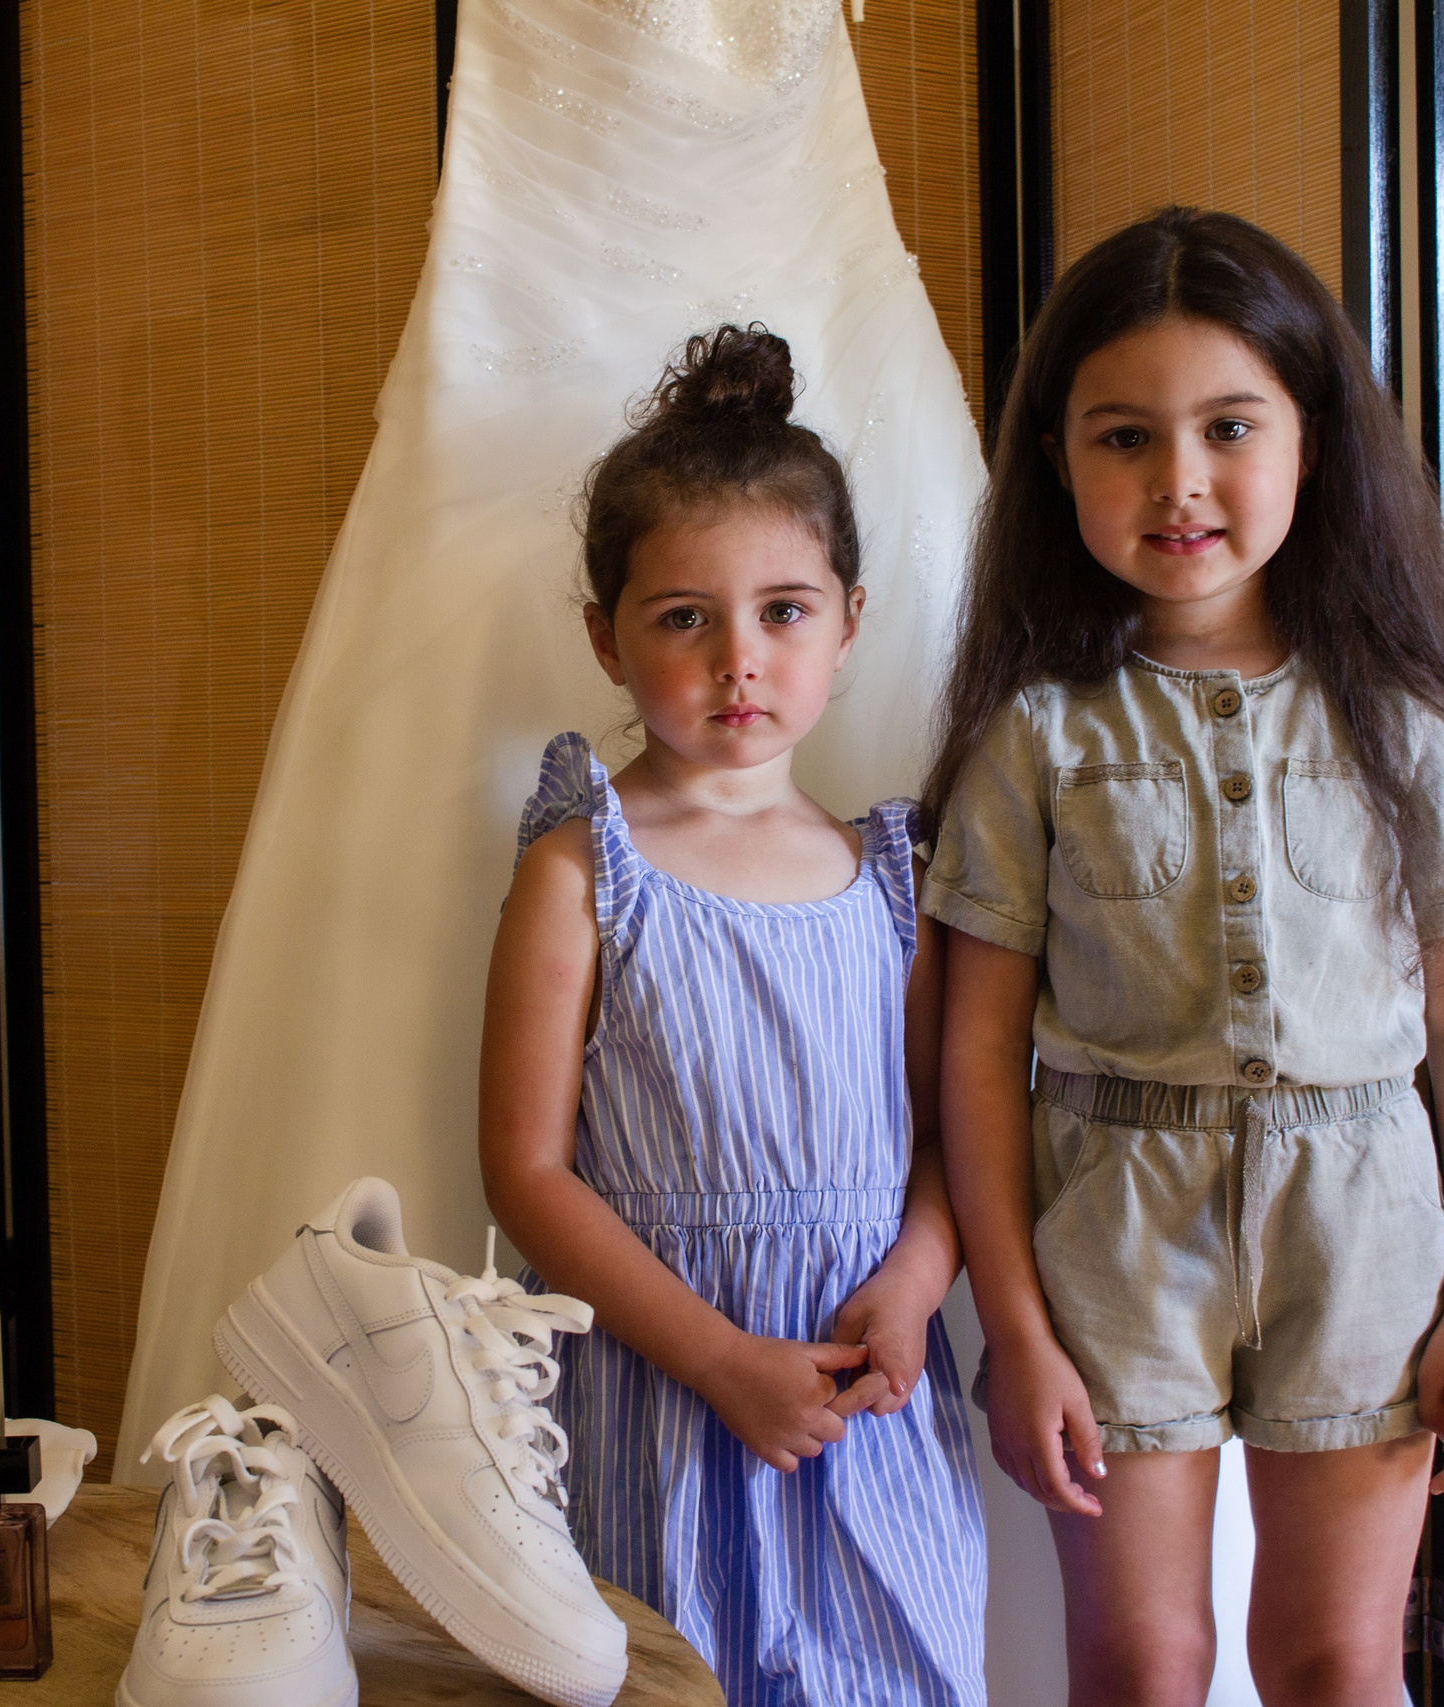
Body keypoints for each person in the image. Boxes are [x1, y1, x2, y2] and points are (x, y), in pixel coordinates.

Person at [924, 207, 1444, 1706]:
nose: (1180, 480)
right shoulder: (1037, 738)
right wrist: (1016, 1331)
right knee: (1142, 1661)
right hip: (1117, 1239)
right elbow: (978, 1048)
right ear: (1057, 461)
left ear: (1312, 441)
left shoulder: (1405, 727)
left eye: (1229, 427)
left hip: (1365, 1234)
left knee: (1334, 1659)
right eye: (1124, 437)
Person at [480, 324, 988, 1707]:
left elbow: (945, 1141)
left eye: (784, 611)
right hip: (661, 1395)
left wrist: (917, 1279)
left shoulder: (896, 880)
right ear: (607, 637)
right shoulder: (584, 871)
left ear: (850, 621)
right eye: (682, 618)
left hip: (864, 1403)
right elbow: (525, 1169)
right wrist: (718, 1361)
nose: (739, 660)